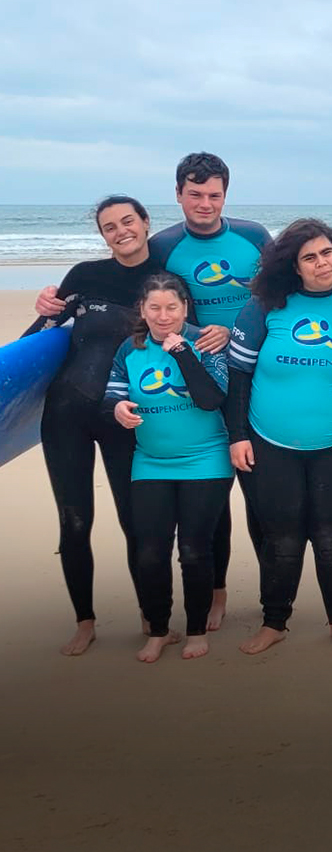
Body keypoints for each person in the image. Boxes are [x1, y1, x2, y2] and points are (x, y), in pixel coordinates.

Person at [37, 153, 272, 629]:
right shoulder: (125, 260)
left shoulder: (223, 247)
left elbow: (256, 297)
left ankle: (217, 606)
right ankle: (114, 616)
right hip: (118, 401)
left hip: (204, 388)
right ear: (177, 196)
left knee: (233, 501)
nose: (205, 203)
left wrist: (230, 334)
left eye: (214, 195)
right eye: (195, 193)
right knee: (88, 520)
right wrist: (48, 308)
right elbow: (51, 332)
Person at [225, 219, 332, 653]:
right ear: (294, 266)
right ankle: (274, 622)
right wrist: (238, 435)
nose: (321, 263)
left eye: (327, 253)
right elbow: (239, 376)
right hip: (270, 443)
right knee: (282, 537)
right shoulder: (262, 307)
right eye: (309, 257)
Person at [24, 195, 163, 656]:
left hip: (126, 418)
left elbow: (182, 344)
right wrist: (46, 307)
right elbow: (37, 337)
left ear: (145, 223)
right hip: (66, 415)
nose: (121, 230)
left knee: (135, 520)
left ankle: (149, 613)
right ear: (103, 235)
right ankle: (84, 622)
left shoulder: (165, 281)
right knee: (75, 521)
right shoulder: (83, 276)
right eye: (109, 227)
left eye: (128, 221)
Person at [104, 274, 233, 663]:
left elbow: (211, 399)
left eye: (171, 308)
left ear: (185, 308)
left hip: (205, 459)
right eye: (155, 308)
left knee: (194, 550)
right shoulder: (130, 348)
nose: (163, 316)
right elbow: (114, 392)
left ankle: (195, 630)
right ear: (142, 310)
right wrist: (117, 408)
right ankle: (159, 630)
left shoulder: (206, 340)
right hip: (151, 462)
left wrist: (182, 353)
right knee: (150, 553)